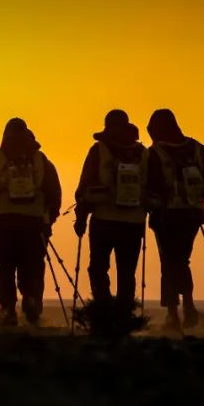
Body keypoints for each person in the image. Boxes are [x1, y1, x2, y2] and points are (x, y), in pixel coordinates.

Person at [0, 118, 62, 326]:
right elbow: (53, 191)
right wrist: (50, 217)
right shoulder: (41, 160)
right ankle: (32, 301)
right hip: (34, 220)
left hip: (5, 219)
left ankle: (7, 309)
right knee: (32, 263)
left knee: (7, 264)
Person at [145, 109, 204, 331]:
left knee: (169, 261)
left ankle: (174, 313)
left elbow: (148, 183)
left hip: (165, 214)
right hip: (192, 213)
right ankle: (187, 307)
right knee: (181, 259)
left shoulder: (154, 153)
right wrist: (201, 195)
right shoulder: (197, 148)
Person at [74, 110, 148, 325]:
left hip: (104, 220)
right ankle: (124, 315)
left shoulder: (98, 151)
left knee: (98, 268)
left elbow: (85, 185)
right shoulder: (143, 153)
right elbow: (152, 185)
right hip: (133, 223)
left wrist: (80, 217)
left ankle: (104, 311)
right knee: (127, 272)